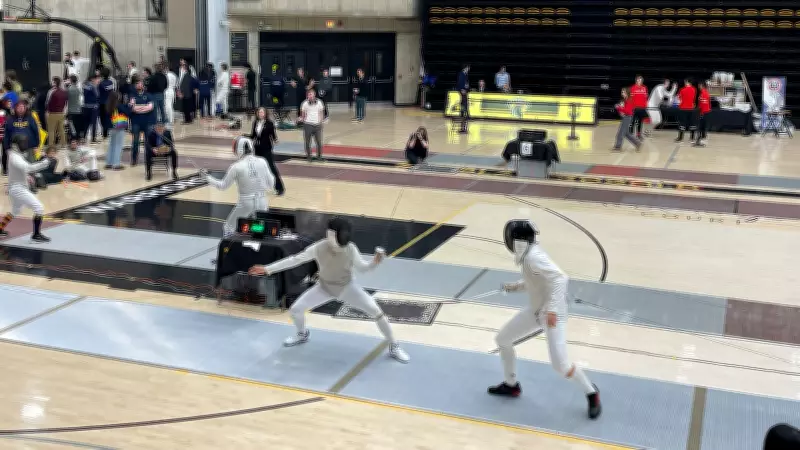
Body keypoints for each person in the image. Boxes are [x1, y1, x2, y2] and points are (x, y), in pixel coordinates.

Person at [247, 217, 410, 363]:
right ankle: (302, 334)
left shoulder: (350, 249)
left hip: (347, 287)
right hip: (324, 287)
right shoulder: (319, 247)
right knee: (296, 310)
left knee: (377, 312)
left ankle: (393, 345)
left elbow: (363, 268)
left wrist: (375, 261)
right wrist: (268, 269)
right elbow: (295, 260)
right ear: (332, 234)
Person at [488, 219, 601, 419]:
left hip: (551, 315)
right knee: (502, 340)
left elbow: (560, 278)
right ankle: (511, 385)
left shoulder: (534, 258)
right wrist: (513, 287)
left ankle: (591, 392)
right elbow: (536, 281)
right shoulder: (528, 258)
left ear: (518, 240)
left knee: (561, 365)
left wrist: (553, 310)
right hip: (536, 311)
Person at [200, 136, 274, 237]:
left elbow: (222, 186)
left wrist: (207, 178)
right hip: (262, 202)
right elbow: (271, 184)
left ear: (238, 149)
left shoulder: (236, 167)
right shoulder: (262, 161)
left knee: (229, 228)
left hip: (246, 203)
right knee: (259, 229)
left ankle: (229, 251)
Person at [0, 135, 51, 242]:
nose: (25, 145)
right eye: (22, 143)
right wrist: (44, 163)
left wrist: (26, 177)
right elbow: (28, 167)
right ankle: (36, 234)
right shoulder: (15, 157)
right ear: (15, 145)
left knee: (15, 211)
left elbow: (18, 170)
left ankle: (0, 228)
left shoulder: (16, 155)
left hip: (17, 187)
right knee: (39, 208)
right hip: (18, 189)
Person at [250, 107, 283, 194]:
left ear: (265, 113)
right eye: (259, 112)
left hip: (266, 149)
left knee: (271, 168)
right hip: (257, 148)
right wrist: (243, 136)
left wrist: (276, 140)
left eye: (262, 112)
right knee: (257, 168)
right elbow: (253, 136)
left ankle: (279, 188)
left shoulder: (269, 123)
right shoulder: (255, 123)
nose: (260, 114)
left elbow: (273, 135)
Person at [3, 100, 40, 175]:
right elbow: (6, 134)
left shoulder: (30, 118)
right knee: (16, 167)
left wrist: (36, 145)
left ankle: (33, 181)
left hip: (29, 146)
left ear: (25, 108)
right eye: (19, 107)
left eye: (22, 107)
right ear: (15, 108)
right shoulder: (10, 119)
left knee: (31, 166)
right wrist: (6, 147)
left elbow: (36, 132)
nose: (20, 109)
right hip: (15, 148)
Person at [129, 79, 156, 166]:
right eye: (137, 84)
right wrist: (143, 107)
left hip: (147, 122)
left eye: (140, 84)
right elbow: (132, 108)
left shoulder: (149, 95)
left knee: (147, 142)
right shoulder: (132, 96)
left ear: (143, 86)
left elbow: (150, 107)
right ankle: (134, 159)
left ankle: (148, 159)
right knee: (135, 142)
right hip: (136, 122)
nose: (139, 85)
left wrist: (139, 108)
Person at [105, 91, 129, 171]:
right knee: (118, 145)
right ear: (118, 97)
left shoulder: (108, 106)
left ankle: (109, 163)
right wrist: (130, 106)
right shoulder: (120, 106)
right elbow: (128, 113)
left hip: (110, 127)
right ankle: (116, 164)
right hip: (119, 127)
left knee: (111, 145)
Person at [300, 90, 325, 162]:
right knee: (308, 142)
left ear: (314, 95)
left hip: (317, 125)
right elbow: (303, 115)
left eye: (311, 94)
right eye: (309, 95)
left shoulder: (320, 102)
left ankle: (319, 157)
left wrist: (321, 122)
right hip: (308, 124)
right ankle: (309, 157)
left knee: (319, 142)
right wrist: (302, 120)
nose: (310, 96)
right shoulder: (304, 103)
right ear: (307, 96)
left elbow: (321, 113)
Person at [45, 77, 68, 149]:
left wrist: (47, 111)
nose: (51, 83)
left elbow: (48, 102)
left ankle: (51, 145)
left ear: (55, 83)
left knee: (51, 130)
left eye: (52, 81)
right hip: (61, 113)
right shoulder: (64, 92)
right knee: (61, 129)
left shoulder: (51, 91)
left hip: (52, 113)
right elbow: (66, 103)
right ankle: (63, 144)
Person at [675, 79, 697, 143]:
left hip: (683, 109)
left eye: (685, 82)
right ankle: (692, 138)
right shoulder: (694, 89)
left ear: (687, 82)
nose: (684, 83)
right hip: (691, 109)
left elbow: (679, 99)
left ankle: (680, 138)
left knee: (682, 123)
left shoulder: (682, 90)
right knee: (692, 123)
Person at [98, 68, 117, 139]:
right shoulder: (111, 83)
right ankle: (107, 131)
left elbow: (98, 93)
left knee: (102, 118)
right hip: (110, 103)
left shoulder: (101, 84)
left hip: (102, 103)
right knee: (108, 117)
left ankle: (105, 132)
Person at [82, 74, 101, 143]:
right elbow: (97, 95)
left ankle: (84, 137)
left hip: (85, 107)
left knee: (86, 123)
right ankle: (93, 138)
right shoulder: (93, 86)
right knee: (94, 123)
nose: (98, 81)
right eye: (97, 79)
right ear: (93, 79)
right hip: (93, 108)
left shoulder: (84, 85)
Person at [694, 81, 711, 147]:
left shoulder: (703, 93)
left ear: (701, 85)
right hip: (705, 112)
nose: (698, 87)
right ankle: (701, 139)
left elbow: (703, 104)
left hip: (703, 112)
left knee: (700, 127)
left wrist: (701, 112)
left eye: (699, 85)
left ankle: (698, 141)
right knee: (703, 127)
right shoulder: (705, 93)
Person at [456, 65, 470, 133]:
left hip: (465, 91)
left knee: (464, 103)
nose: (468, 69)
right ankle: (465, 114)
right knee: (464, 104)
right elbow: (460, 83)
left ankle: (464, 114)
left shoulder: (465, 75)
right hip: (462, 91)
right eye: (468, 68)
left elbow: (466, 84)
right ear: (465, 68)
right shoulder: (461, 74)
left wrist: (467, 88)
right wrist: (462, 89)